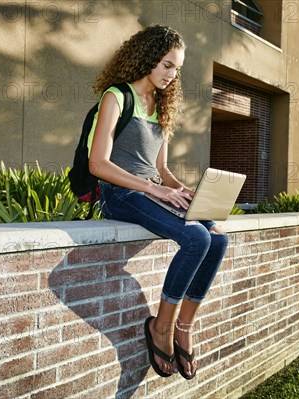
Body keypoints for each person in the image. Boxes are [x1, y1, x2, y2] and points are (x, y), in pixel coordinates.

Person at [88, 25, 228, 380]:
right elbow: (98, 164)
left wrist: (181, 191)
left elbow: (161, 169)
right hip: (119, 194)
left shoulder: (161, 105)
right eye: (167, 65)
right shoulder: (116, 97)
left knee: (219, 236)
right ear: (148, 58)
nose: (172, 74)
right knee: (196, 238)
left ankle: (185, 325)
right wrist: (156, 190)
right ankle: (161, 328)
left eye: (177, 69)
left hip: (149, 190)